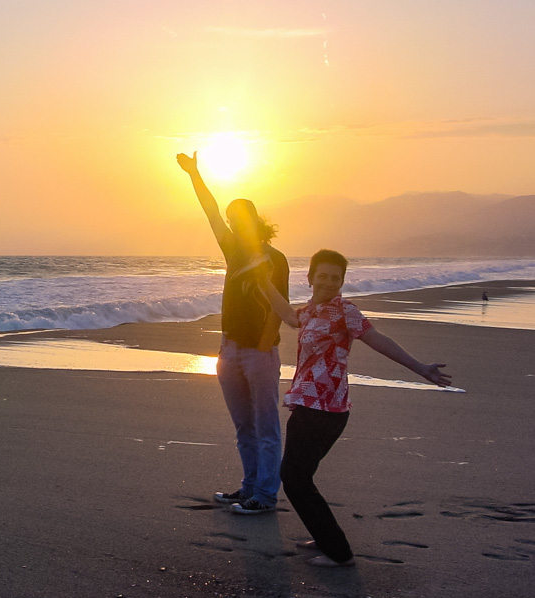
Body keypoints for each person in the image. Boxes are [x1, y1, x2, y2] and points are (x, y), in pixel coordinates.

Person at [257, 249, 452, 566]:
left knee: (294, 479)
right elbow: (288, 316)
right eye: (322, 276)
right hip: (316, 407)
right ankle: (325, 537)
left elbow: (378, 340)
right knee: (301, 477)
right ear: (310, 279)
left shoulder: (346, 312)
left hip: (322, 412)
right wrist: (264, 282)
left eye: (336, 278)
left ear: (343, 281)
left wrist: (419, 368)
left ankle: (338, 552)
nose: (329, 282)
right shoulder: (310, 312)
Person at [177, 151, 289, 515]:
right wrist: (194, 174)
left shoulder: (274, 258)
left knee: (266, 426)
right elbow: (208, 211)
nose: (232, 224)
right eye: (230, 219)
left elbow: (279, 307)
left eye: (240, 219)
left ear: (255, 220)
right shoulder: (232, 251)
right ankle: (249, 487)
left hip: (259, 353)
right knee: (244, 426)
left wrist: (262, 345)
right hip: (229, 351)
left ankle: (266, 495)